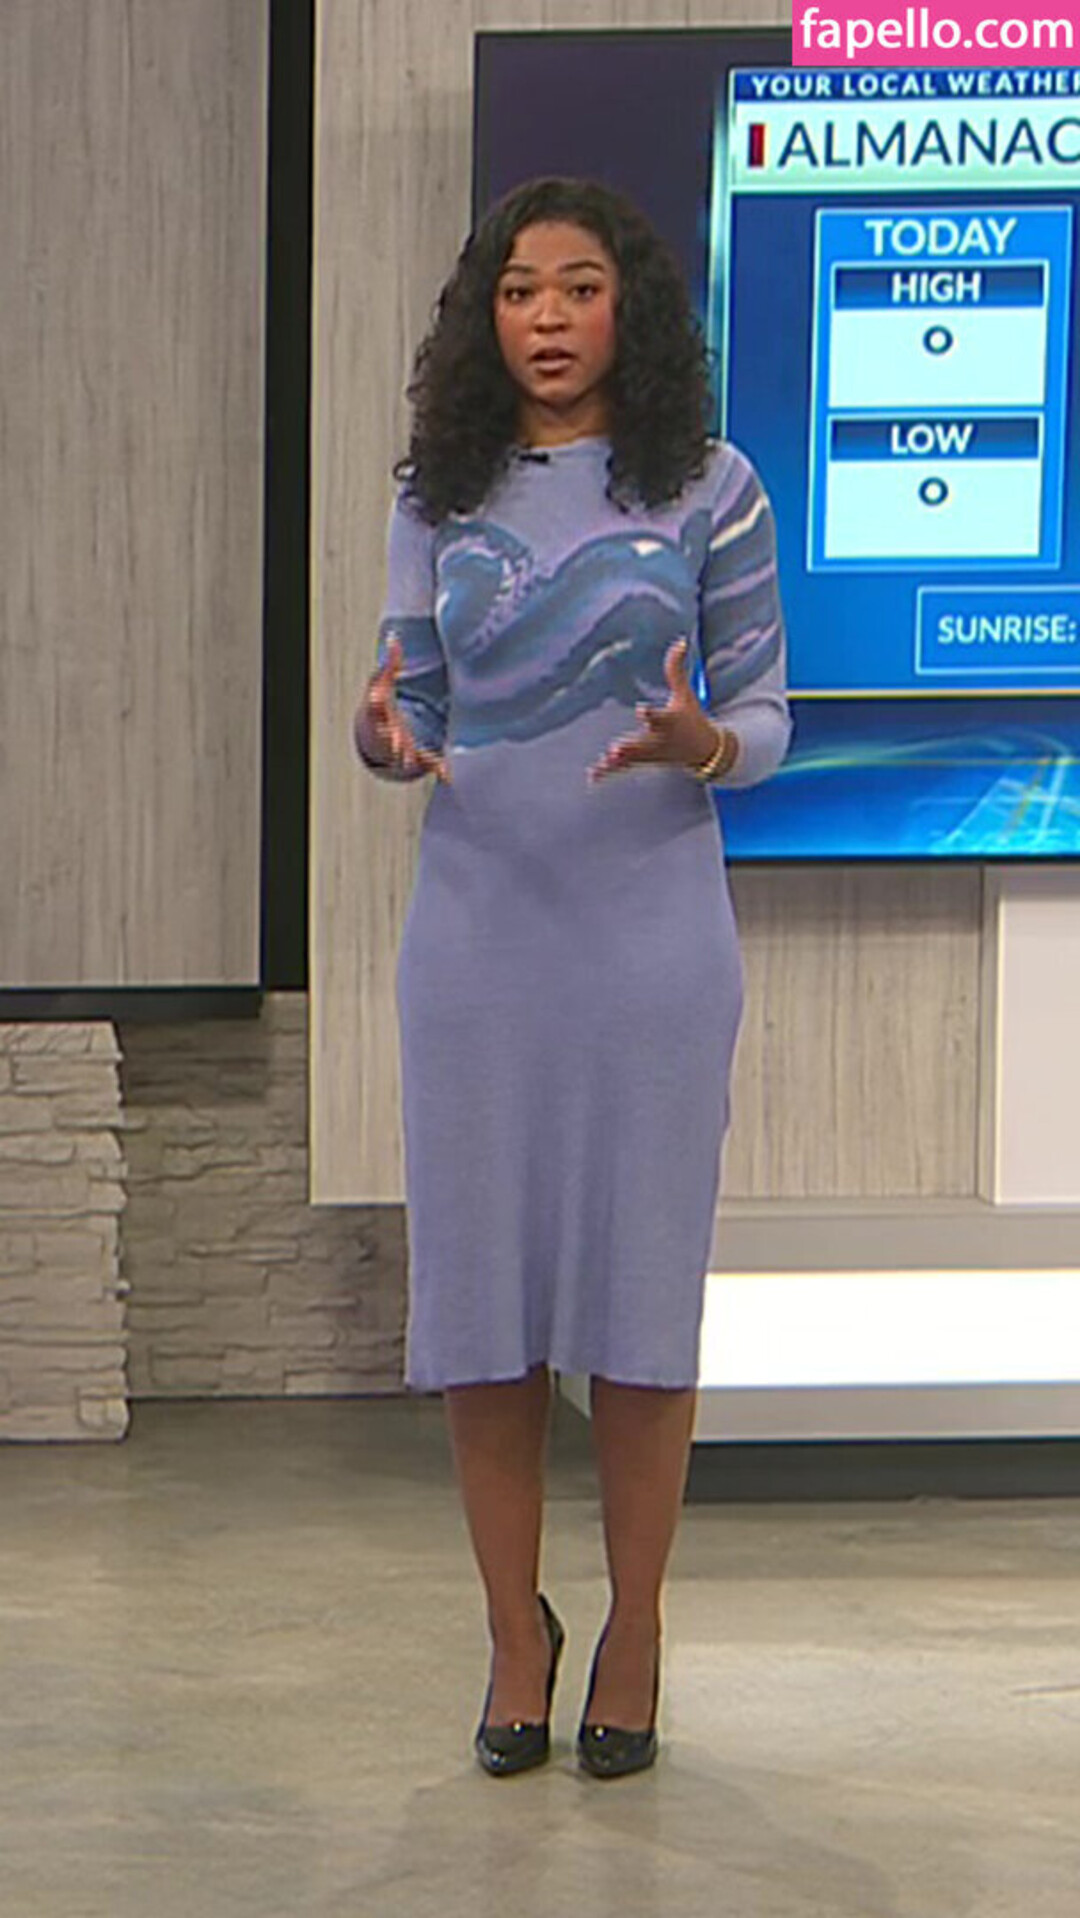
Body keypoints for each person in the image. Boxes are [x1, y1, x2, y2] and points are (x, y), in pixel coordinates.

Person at [353, 177, 791, 1780]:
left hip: (650, 942)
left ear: (631, 309)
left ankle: (638, 1630)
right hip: (479, 944)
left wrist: (704, 741)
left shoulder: (712, 488)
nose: (547, 316)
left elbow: (770, 718)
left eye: (580, 286)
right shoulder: (440, 493)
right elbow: (408, 702)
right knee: (484, 1310)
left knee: (638, 1306)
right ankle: (512, 1636)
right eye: (521, 289)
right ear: (488, 317)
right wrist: (382, 736)